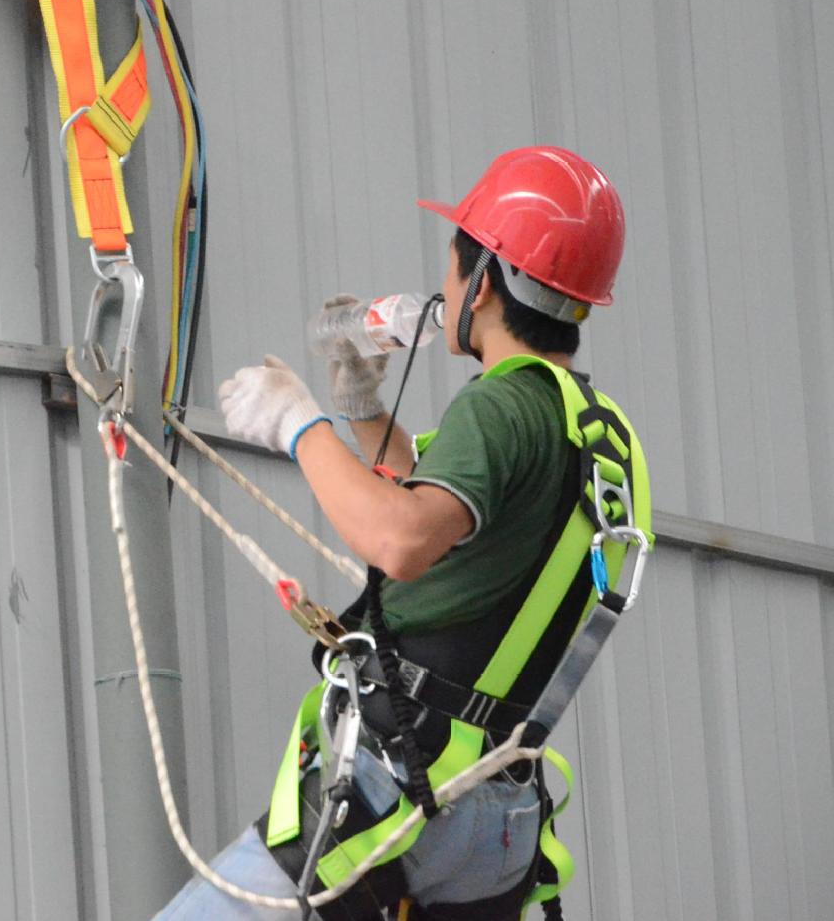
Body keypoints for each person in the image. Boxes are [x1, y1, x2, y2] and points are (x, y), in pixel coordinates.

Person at [155, 146, 648, 920]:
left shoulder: (502, 404)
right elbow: (446, 514)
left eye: (454, 269)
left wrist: (297, 423)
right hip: (498, 813)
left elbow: (401, 538)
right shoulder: (593, 431)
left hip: (404, 788)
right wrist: (358, 407)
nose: (443, 289)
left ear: (482, 281)